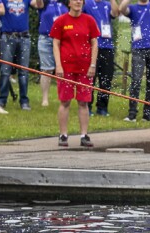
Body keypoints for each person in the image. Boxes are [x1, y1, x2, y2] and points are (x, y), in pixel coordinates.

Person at [50, 0, 100, 148]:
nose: (78, 2)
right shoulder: (61, 21)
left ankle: (84, 135)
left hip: (85, 68)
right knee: (65, 101)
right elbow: (56, 43)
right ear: (69, 3)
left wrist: (92, 64)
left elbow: (94, 43)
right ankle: (63, 134)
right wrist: (58, 65)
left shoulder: (89, 20)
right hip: (66, 68)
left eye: (81, 0)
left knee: (83, 101)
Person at [83, 0, 119, 117]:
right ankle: (87, 106)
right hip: (92, 45)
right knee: (90, 78)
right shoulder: (87, 3)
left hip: (107, 46)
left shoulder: (107, 4)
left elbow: (115, 13)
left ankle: (102, 107)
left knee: (106, 78)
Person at [0, 0, 34, 111]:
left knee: (24, 71)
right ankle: (2, 100)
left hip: (24, 36)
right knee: (5, 69)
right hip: (8, 36)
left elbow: (39, 5)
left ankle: (24, 101)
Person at [33, 0, 68, 107]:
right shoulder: (44, 2)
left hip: (63, 39)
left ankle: (64, 96)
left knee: (64, 69)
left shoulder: (65, 2)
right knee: (46, 69)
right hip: (46, 38)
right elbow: (38, 4)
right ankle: (45, 99)